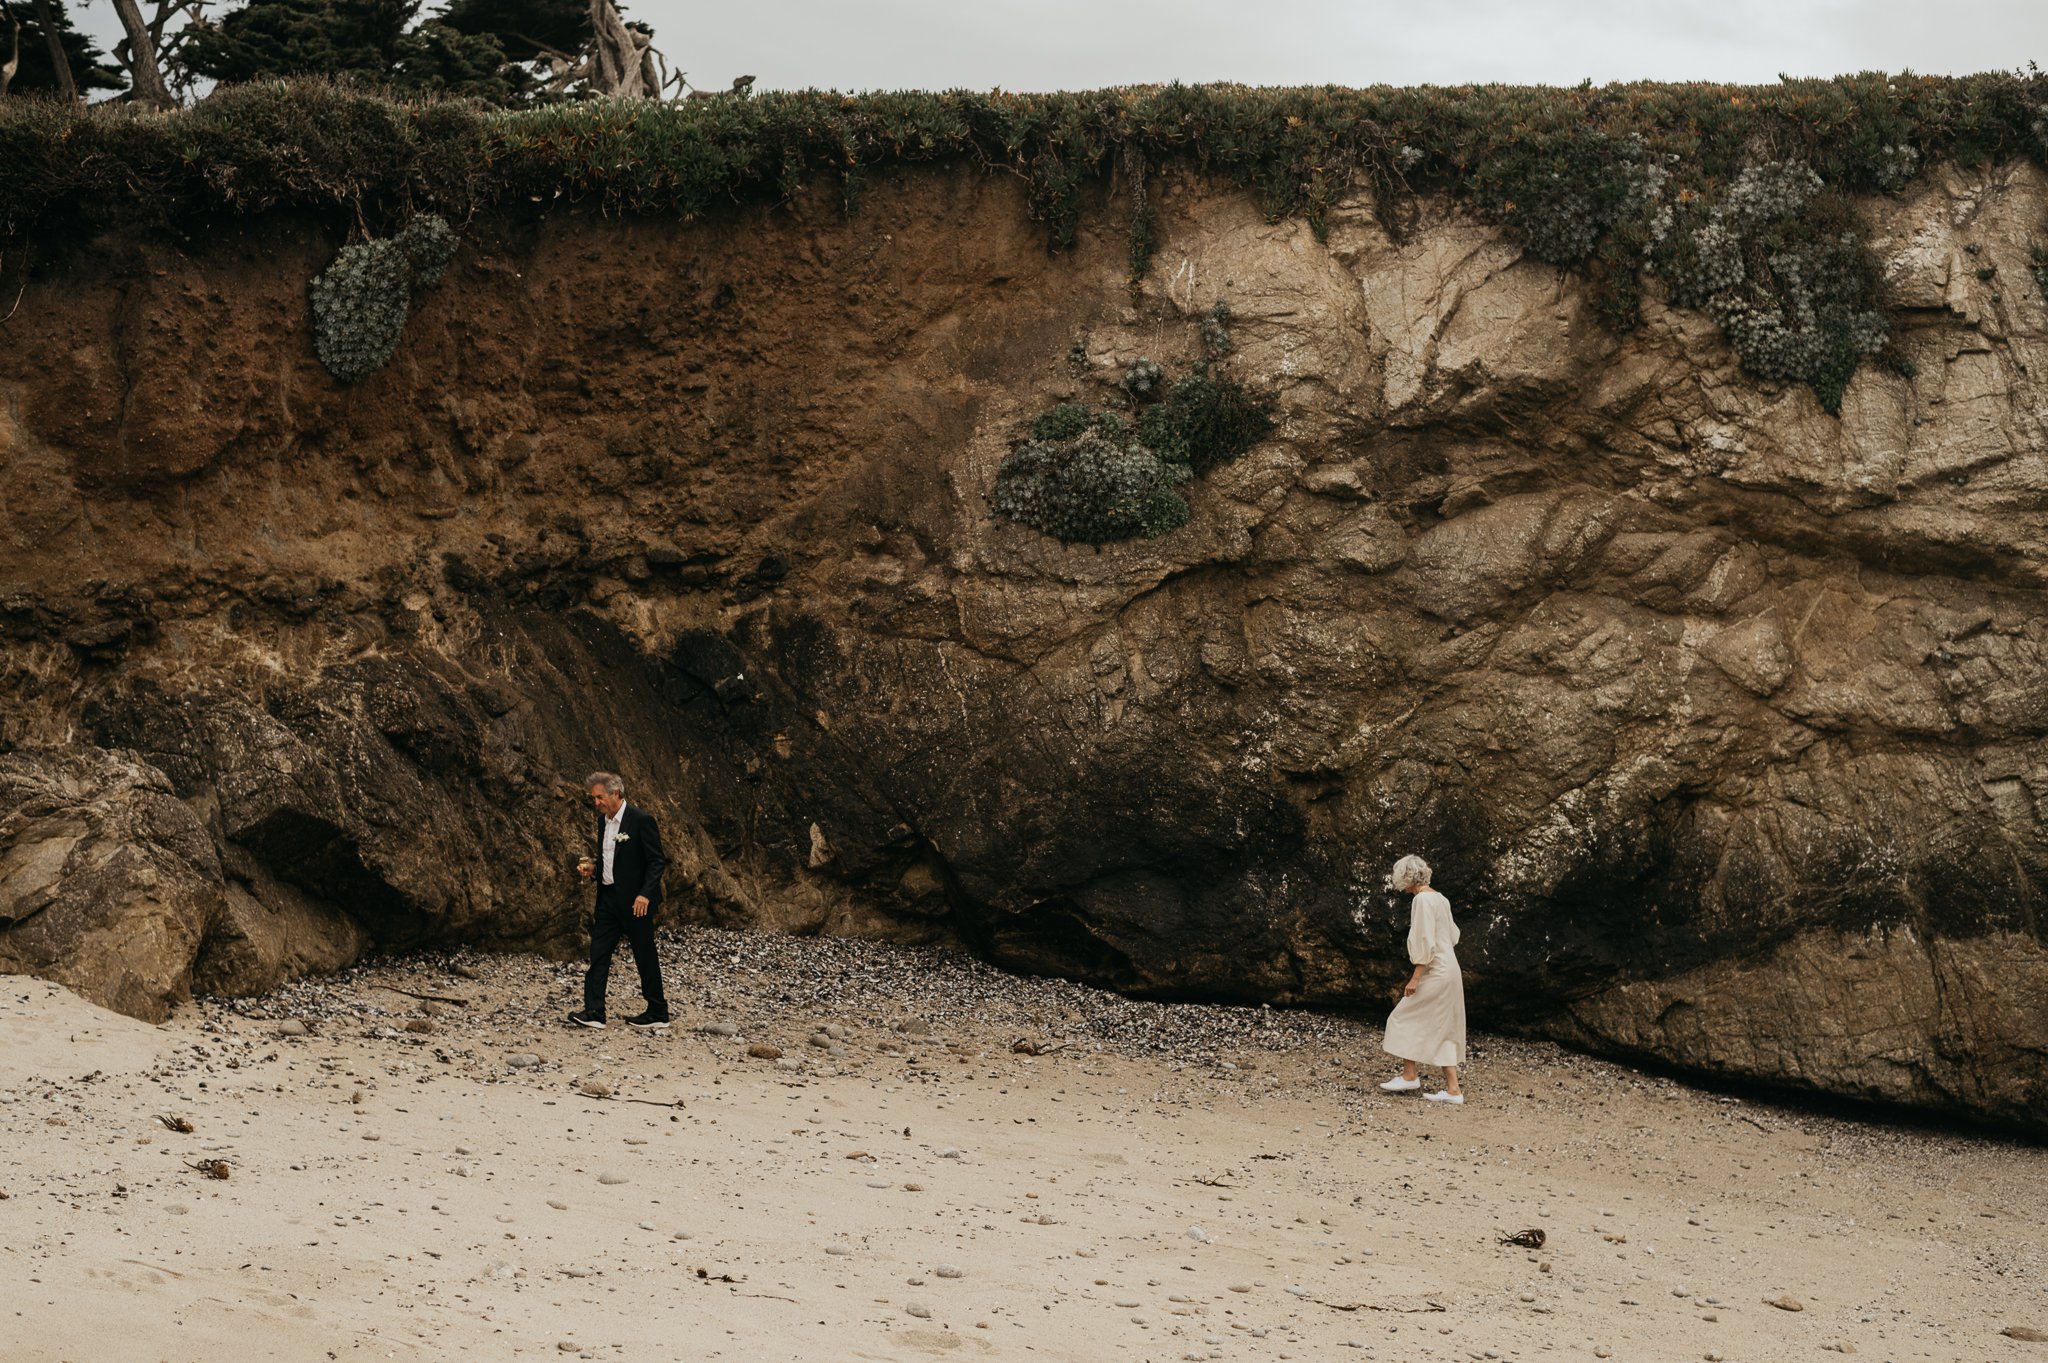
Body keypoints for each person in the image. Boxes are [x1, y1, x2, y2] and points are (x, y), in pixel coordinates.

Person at [565, 771, 670, 1031]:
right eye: (593, 798)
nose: (596, 802)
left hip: (636, 901)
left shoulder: (641, 820)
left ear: (615, 793)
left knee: (644, 954)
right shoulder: (603, 822)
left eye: (599, 797)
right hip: (608, 898)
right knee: (598, 953)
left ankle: (657, 1011)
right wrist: (595, 871)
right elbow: (612, 860)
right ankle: (594, 1012)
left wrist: (645, 894)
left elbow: (657, 861)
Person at [1377, 854, 1466, 1103]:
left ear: (1406, 877)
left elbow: (1425, 941)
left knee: (1402, 1016)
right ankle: (1453, 1091)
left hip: (1435, 969)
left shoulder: (1422, 901)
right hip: (1450, 968)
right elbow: (1453, 936)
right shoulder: (1441, 898)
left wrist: (1415, 978)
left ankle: (1409, 1075)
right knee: (1442, 1025)